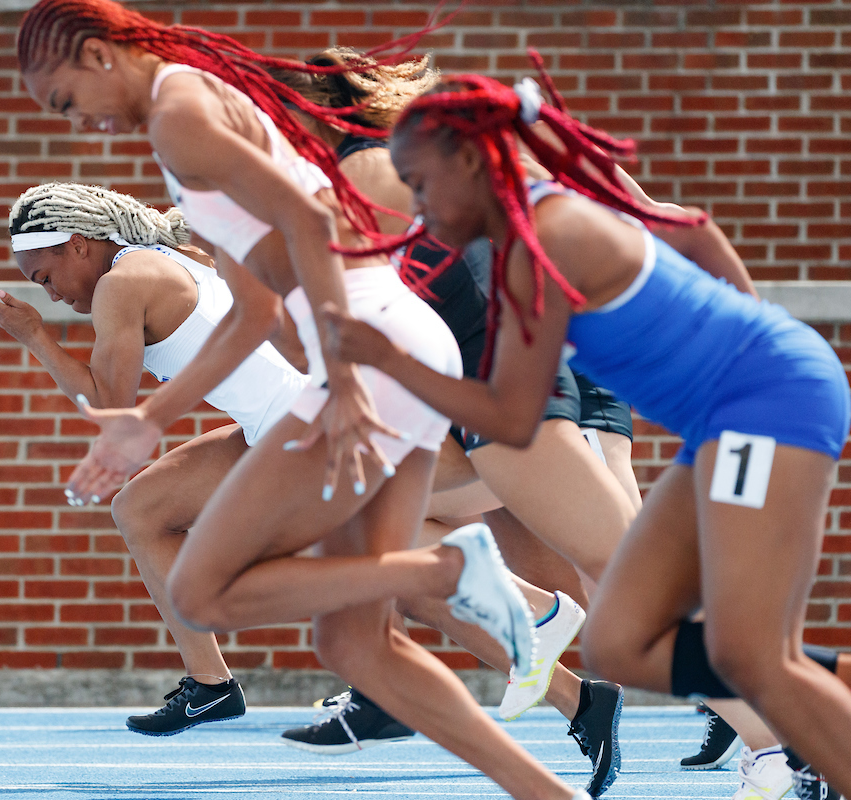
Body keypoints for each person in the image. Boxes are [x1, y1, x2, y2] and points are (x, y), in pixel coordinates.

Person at [15, 3, 592, 798]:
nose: (82, 124)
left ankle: (448, 566)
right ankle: (548, 789)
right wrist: (150, 417)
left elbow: (310, 217)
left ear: (97, 54)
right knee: (359, 646)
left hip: (365, 348)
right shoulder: (185, 123)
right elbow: (255, 311)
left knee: (201, 590)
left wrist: (345, 378)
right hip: (383, 339)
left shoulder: (181, 115)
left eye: (66, 101)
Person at [318, 68, 851, 795]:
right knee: (621, 640)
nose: (413, 207)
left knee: (747, 648)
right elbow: (692, 225)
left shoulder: (545, 243)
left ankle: (802, 756)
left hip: (766, 403)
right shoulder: (526, 237)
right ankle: (803, 728)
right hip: (728, 415)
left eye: (418, 184)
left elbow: (509, 415)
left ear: (470, 164)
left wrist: (756, 340)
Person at [269, 50, 629, 796]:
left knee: (636, 591)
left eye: (279, 118)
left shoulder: (368, 170)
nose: (270, 135)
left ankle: (780, 723)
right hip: (475, 399)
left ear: (315, 113)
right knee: (379, 528)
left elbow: (358, 308)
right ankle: (542, 622)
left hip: (504, 392)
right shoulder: (366, 173)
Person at [0, 181, 310, 736]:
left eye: (46, 278)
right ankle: (210, 686)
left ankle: (478, 655)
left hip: (307, 430)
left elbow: (110, 406)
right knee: (141, 509)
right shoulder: (163, 256)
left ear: (77, 245)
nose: (51, 295)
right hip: (277, 425)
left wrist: (35, 337)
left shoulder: (121, 284)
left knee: (416, 571)